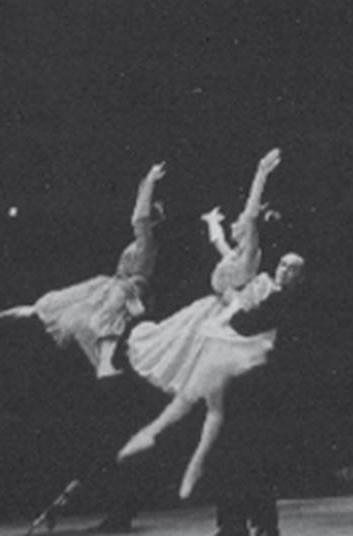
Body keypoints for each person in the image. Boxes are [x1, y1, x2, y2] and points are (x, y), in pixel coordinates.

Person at [117, 148, 283, 499]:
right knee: (201, 398)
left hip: (220, 329)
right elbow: (219, 240)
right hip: (203, 319)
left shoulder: (251, 252)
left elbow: (251, 215)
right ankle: (175, 447)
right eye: (236, 221)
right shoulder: (235, 255)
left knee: (204, 400)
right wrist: (212, 223)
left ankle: (189, 458)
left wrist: (260, 173)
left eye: (240, 221)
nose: (238, 221)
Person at [0, 162, 167, 377]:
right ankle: (34, 311)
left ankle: (103, 363)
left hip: (129, 289)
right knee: (76, 309)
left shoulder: (148, 243)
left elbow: (139, 217)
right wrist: (147, 183)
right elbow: (141, 216)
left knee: (105, 314)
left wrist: (150, 181)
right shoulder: (141, 244)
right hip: (114, 285)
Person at [205, 250, 309, 536]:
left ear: (300, 278)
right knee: (244, 457)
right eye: (283, 264)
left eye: (293, 269)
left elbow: (245, 324)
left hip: (261, 389)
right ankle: (242, 524)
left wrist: (234, 302)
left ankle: (246, 524)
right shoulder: (269, 293)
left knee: (247, 457)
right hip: (249, 384)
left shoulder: (284, 301)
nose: (285, 270)